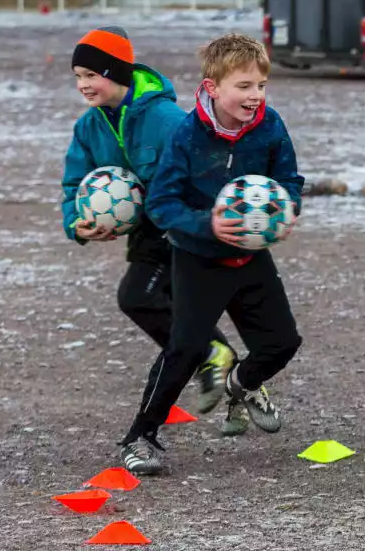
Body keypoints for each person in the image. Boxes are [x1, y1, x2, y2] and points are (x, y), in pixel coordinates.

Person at [116, 34, 304, 475]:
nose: (254, 96)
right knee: (183, 349)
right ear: (214, 87)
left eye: (260, 85)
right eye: (243, 86)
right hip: (198, 258)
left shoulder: (271, 125)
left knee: (282, 344)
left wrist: (288, 206)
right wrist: (208, 224)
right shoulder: (187, 134)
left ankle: (242, 383)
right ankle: (140, 437)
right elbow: (162, 204)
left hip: (250, 256)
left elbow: (290, 178)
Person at [59, 25, 236, 414]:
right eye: (78, 77)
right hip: (146, 229)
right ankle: (228, 372)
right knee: (163, 304)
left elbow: (207, 167)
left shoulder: (165, 117)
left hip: (182, 225)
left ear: (116, 73)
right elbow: (74, 181)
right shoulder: (89, 126)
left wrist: (207, 224)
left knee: (138, 297)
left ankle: (207, 356)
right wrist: (76, 221)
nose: (83, 86)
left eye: (91, 75)